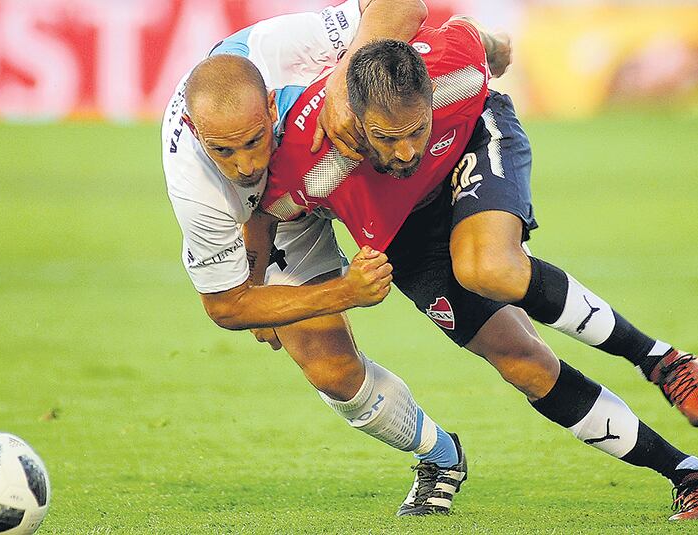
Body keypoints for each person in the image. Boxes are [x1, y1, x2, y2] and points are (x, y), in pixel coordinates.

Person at [256, 28, 698, 520]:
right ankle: (693, 476)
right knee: (523, 362)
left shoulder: (456, 75)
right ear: (351, 117)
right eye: (386, 138)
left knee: (489, 268)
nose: (405, 153)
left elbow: (469, 35)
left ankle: (664, 363)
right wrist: (257, 296)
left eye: (417, 130)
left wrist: (497, 46)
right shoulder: (307, 162)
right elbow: (263, 215)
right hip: (404, 231)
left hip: (472, 150)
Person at [163, 0, 517, 516]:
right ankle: (441, 456)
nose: (244, 165)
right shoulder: (196, 191)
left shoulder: (281, 50)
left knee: (405, 78)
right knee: (331, 370)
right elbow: (225, 307)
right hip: (283, 210)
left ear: (269, 106)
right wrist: (331, 291)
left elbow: (402, 7)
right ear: (197, 136)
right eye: (224, 153)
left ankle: (473, 43)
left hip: (339, 157)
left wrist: (340, 80)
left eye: (255, 142)